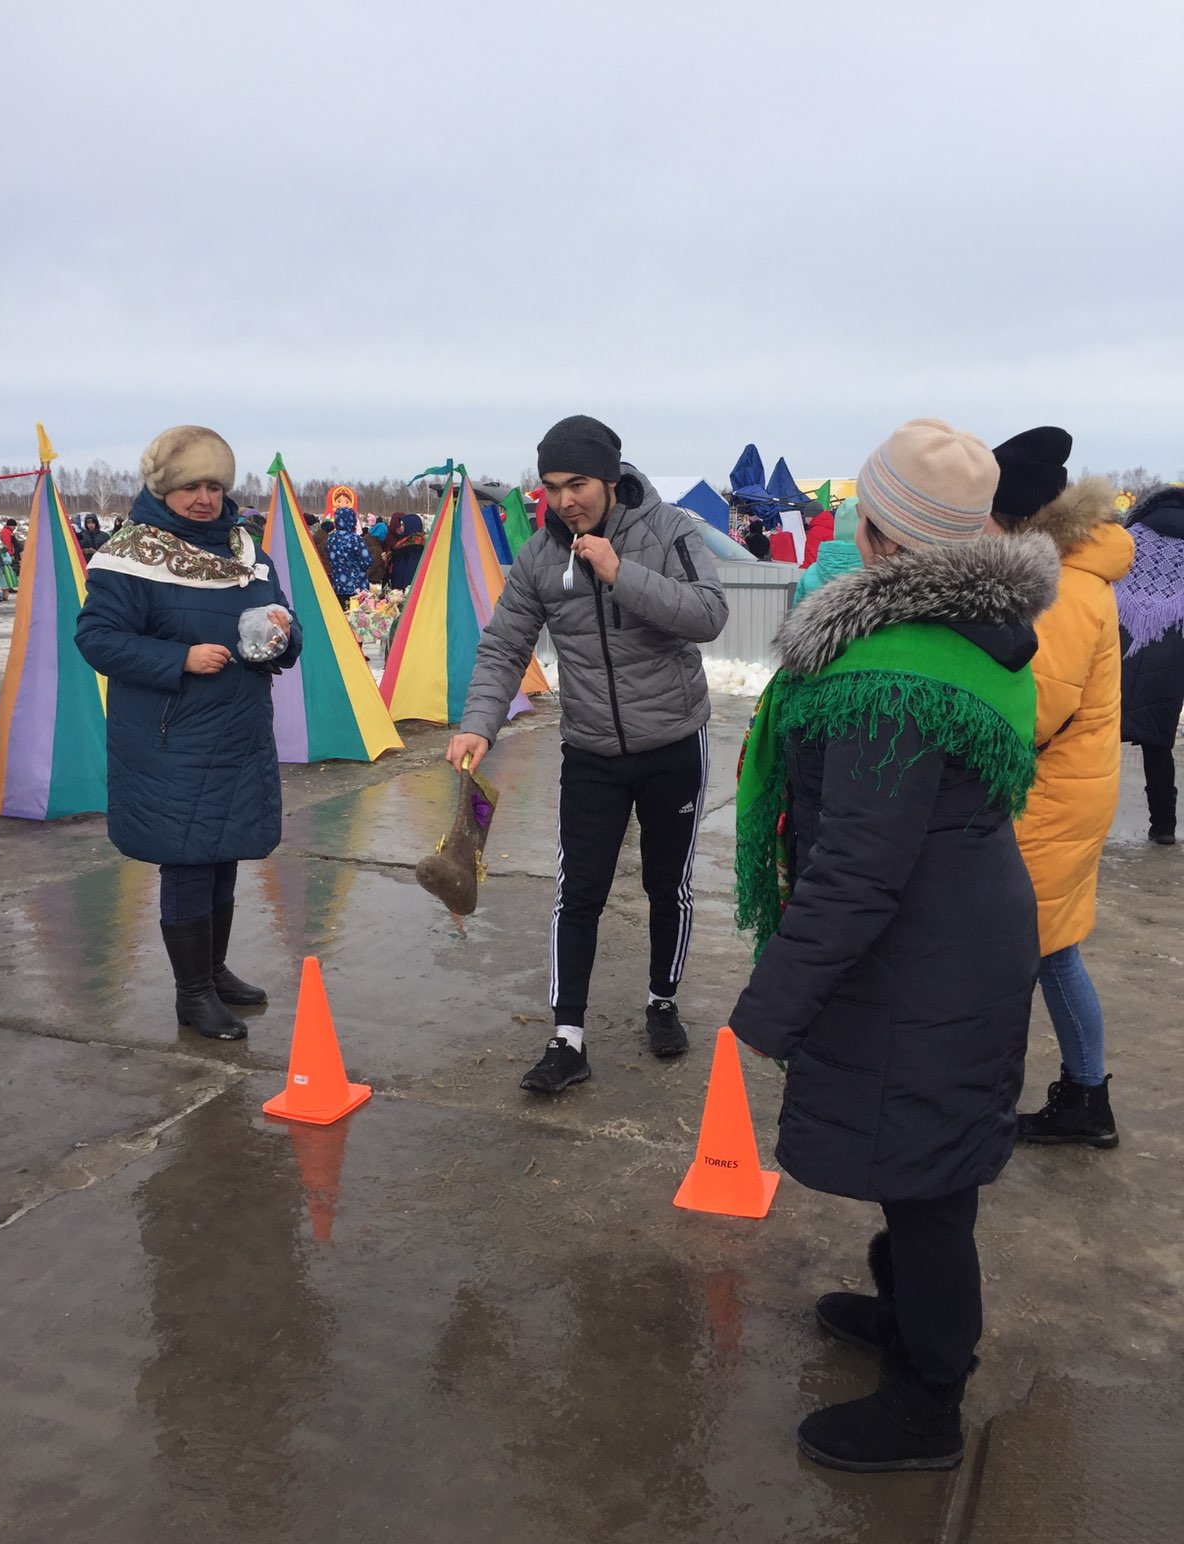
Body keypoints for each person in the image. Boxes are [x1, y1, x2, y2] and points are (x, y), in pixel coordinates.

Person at [730, 418, 1058, 1473]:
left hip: (925, 953)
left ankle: (927, 1402)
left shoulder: (893, 678)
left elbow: (858, 870)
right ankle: (907, 1309)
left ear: (878, 534)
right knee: (925, 1155)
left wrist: (769, 1009)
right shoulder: (977, 633)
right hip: (959, 934)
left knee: (930, 1183)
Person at [447, 414, 729, 1092]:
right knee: (578, 893)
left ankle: (662, 1001)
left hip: (672, 741)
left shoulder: (670, 531)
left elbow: (708, 615)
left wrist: (620, 572)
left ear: (608, 477)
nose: (565, 500)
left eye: (577, 484)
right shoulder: (540, 557)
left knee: (667, 885)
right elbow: (504, 645)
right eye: (551, 487)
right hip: (592, 750)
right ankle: (567, 1038)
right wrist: (479, 723)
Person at [76, 425, 302, 1041]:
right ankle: (192, 994)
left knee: (222, 855)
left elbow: (282, 615)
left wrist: (283, 636)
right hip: (170, 740)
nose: (204, 499)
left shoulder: (246, 551)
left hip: (238, 732)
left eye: (214, 486)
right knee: (187, 862)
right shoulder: (131, 555)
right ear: (163, 490)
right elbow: (97, 639)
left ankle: (213, 971)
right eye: (189, 487)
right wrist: (179, 658)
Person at [986, 430, 1133, 1150]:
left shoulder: (1066, 587)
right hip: (1063, 789)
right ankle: (1083, 1093)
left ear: (1013, 515)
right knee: (1052, 948)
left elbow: (1036, 712)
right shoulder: (1065, 572)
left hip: (1049, 796)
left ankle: (1075, 1099)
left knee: (1040, 952)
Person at [1116, 485, 1184, 845]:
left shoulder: (1129, 537)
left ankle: (1090, 820)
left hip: (1121, 641)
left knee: (1101, 737)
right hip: (1172, 651)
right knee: (1158, 745)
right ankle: (1164, 827)